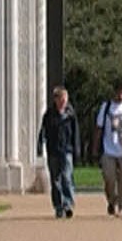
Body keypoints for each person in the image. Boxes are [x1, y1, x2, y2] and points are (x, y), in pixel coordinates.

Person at [35, 84, 83, 218]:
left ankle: (68, 204)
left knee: (67, 177)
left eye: (65, 98)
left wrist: (77, 149)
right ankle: (58, 206)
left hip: (67, 150)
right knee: (55, 180)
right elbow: (43, 131)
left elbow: (76, 133)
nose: (63, 101)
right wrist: (40, 146)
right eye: (61, 98)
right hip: (53, 150)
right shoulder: (49, 114)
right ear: (56, 99)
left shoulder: (70, 114)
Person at [95, 85, 122, 215]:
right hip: (108, 149)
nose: (121, 95)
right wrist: (95, 147)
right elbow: (99, 128)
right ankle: (112, 200)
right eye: (119, 92)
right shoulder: (106, 107)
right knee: (109, 178)